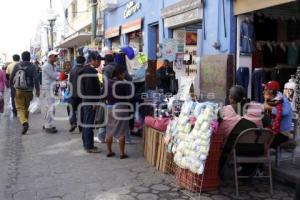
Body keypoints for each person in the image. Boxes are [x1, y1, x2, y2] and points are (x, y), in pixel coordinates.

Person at [9, 51, 40, 134]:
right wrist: (37, 90)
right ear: (29, 57)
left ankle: (24, 122)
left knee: (20, 107)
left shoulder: (17, 65)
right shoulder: (32, 66)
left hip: (18, 90)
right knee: (26, 108)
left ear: (22, 58)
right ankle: (25, 122)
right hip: (29, 90)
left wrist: (12, 87)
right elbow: (36, 79)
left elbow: (11, 78)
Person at [105, 64, 131, 159]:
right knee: (121, 131)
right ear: (121, 73)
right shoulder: (124, 82)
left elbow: (103, 94)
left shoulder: (107, 82)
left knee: (109, 130)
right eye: (124, 73)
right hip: (121, 107)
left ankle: (109, 151)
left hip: (110, 107)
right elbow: (129, 95)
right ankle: (121, 153)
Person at [263, 81, 295, 149]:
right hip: (273, 129)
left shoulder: (282, 100)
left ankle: (284, 144)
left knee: (262, 142)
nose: (264, 91)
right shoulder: (271, 99)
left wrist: (270, 108)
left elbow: (286, 111)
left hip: (282, 133)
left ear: (271, 91)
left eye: (266, 89)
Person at [79, 56, 101, 153]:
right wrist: (94, 102)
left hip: (85, 100)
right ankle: (89, 146)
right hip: (89, 101)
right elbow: (91, 89)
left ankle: (87, 144)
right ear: (93, 60)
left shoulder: (85, 70)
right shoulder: (89, 72)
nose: (100, 63)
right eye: (98, 61)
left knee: (86, 123)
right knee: (88, 123)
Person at [42, 51, 60, 133]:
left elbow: (55, 76)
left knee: (50, 107)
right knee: (50, 107)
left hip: (51, 88)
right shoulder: (47, 66)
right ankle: (47, 125)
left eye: (57, 56)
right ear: (50, 57)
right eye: (55, 56)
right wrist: (62, 74)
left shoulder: (53, 65)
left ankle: (47, 123)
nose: (56, 57)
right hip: (48, 88)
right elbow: (54, 76)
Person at [68, 56, 85, 133]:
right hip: (82, 94)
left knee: (71, 108)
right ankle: (81, 126)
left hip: (73, 93)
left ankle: (73, 123)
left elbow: (69, 82)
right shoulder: (85, 70)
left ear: (76, 62)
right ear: (84, 62)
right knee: (81, 109)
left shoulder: (72, 70)